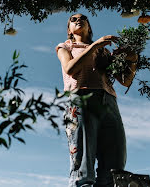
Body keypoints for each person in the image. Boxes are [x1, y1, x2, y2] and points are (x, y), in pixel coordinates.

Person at [56, 13, 137, 187]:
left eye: (82, 18)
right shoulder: (66, 46)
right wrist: (94, 46)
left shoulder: (103, 51)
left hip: (109, 102)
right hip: (80, 99)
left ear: (89, 27)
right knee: (83, 163)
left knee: (115, 163)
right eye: (73, 19)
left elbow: (125, 80)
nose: (78, 20)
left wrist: (132, 60)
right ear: (69, 30)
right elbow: (70, 69)